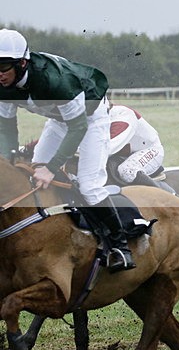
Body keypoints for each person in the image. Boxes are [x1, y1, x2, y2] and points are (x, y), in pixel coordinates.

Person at [0, 28, 137, 272]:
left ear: (22, 63)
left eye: (2, 67)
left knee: (89, 186)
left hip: (90, 119)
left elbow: (78, 127)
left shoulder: (55, 81)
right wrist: (7, 160)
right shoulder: (4, 84)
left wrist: (52, 167)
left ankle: (120, 246)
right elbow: (7, 128)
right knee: (32, 174)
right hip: (58, 120)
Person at [107, 103, 169, 187]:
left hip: (150, 150)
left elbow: (106, 149)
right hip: (122, 155)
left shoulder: (122, 117)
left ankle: (165, 194)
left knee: (127, 171)